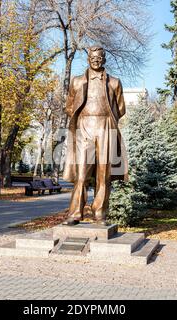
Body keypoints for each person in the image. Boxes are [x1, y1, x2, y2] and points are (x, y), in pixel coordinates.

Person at [63, 46, 128, 226]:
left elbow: (121, 108)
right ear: (88, 59)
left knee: (104, 175)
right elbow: (69, 107)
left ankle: (99, 213)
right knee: (81, 174)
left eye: (99, 57)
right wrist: (84, 118)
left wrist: (106, 120)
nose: (96, 60)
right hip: (84, 128)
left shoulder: (114, 83)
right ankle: (75, 213)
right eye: (93, 57)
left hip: (105, 127)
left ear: (104, 59)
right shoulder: (77, 82)